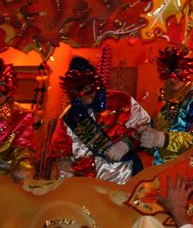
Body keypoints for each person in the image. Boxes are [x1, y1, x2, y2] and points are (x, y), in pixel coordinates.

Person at [49, 56, 150, 184]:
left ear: (96, 84)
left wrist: (125, 144)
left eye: (86, 89)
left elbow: (145, 128)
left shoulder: (122, 100)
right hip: (84, 187)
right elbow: (62, 152)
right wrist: (65, 173)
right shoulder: (68, 117)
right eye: (76, 91)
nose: (82, 95)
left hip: (121, 181)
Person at [136, 47, 193, 165]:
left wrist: (162, 139)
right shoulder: (163, 102)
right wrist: (145, 137)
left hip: (188, 171)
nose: (172, 78)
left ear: (188, 72)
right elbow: (154, 146)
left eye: (178, 72)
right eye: (168, 72)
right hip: (160, 171)